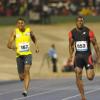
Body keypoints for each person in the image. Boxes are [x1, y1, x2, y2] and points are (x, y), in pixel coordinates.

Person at [67, 16, 100, 100]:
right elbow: (70, 45)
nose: (80, 22)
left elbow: (95, 44)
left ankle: (91, 72)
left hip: (87, 57)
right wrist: (70, 55)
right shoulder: (72, 33)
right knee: (78, 74)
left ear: (83, 22)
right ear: (76, 22)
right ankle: (83, 97)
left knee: (90, 77)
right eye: (78, 21)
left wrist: (98, 56)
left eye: (81, 21)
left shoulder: (89, 31)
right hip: (78, 57)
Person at [7, 18, 39, 97]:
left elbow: (34, 38)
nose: (21, 24)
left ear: (24, 24)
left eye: (22, 23)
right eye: (19, 23)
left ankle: (25, 90)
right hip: (19, 56)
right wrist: (13, 47)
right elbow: (8, 44)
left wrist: (36, 46)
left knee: (27, 70)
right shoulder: (15, 32)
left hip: (28, 54)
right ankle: (23, 78)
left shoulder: (28, 30)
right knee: (21, 76)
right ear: (17, 25)